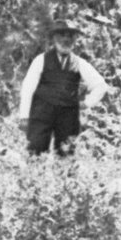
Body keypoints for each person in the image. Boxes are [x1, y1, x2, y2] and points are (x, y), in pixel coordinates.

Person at [17, 23, 109, 158]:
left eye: (70, 36)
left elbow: (101, 85)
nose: (66, 40)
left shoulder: (79, 63)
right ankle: (34, 171)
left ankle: (64, 171)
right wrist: (24, 116)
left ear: (74, 40)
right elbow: (28, 88)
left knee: (66, 154)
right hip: (42, 113)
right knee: (35, 152)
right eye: (61, 35)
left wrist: (86, 103)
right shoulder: (41, 60)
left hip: (67, 117)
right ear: (54, 38)